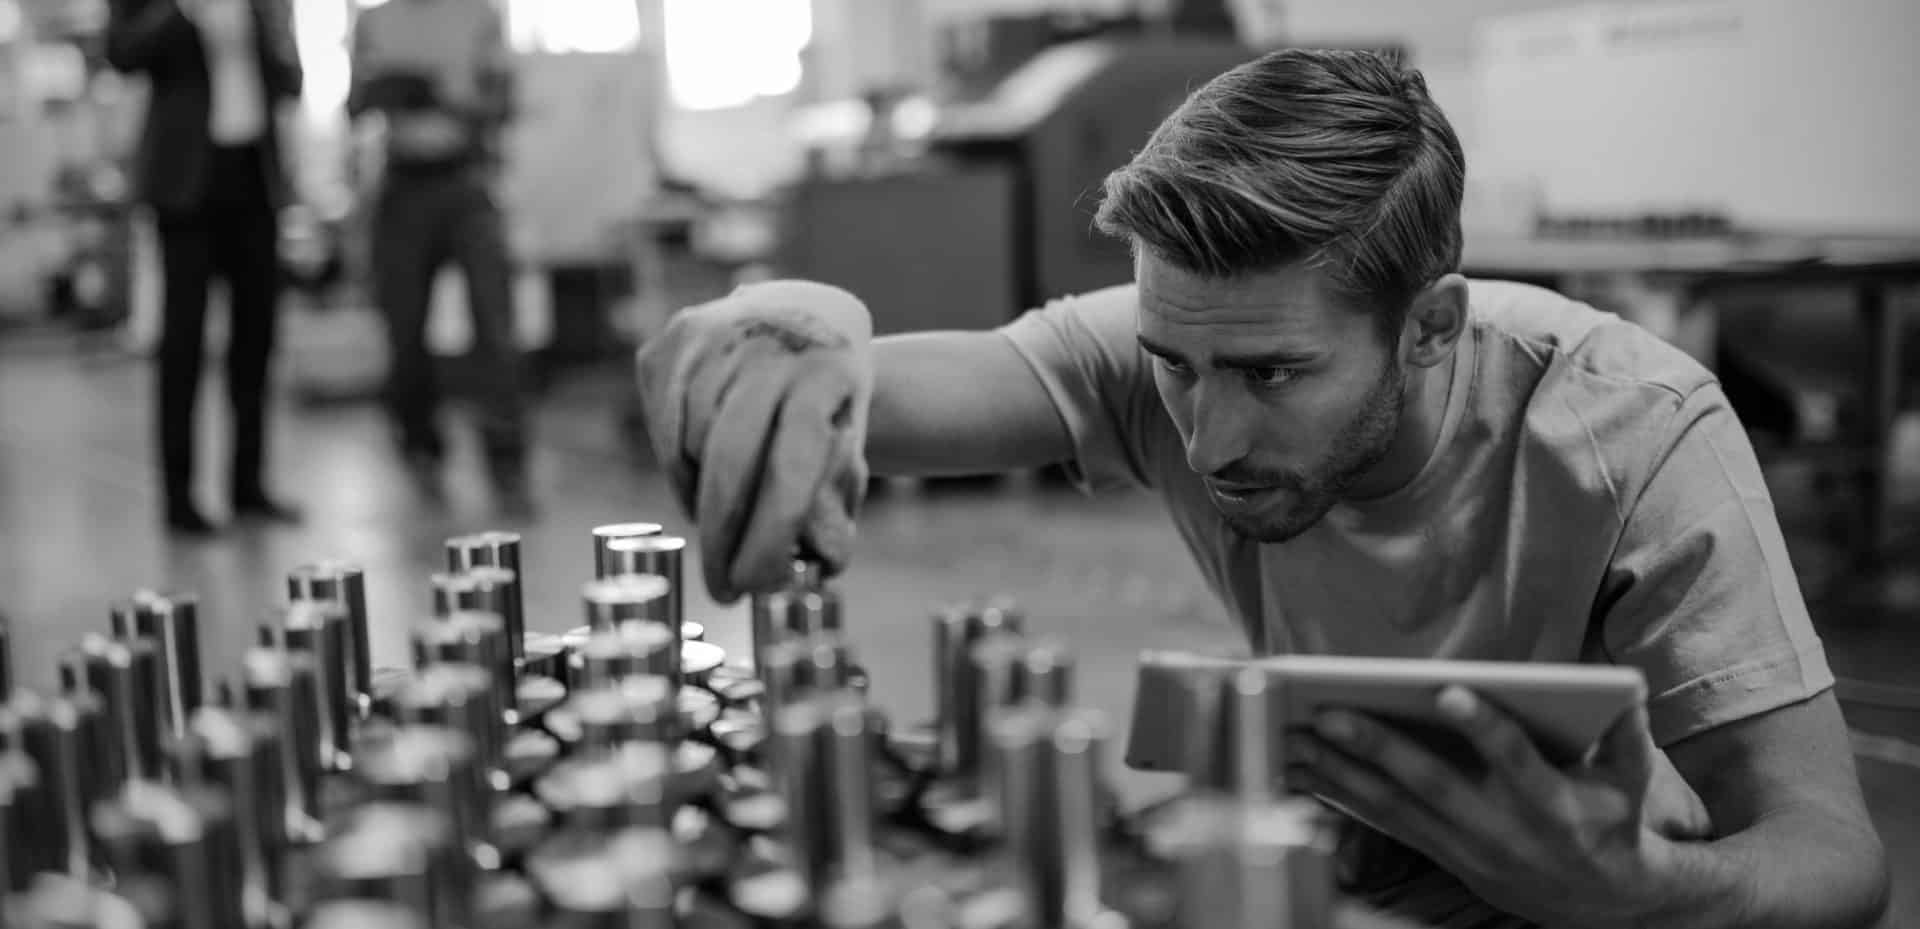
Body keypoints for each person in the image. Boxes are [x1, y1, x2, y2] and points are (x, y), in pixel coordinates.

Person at [636, 49, 1890, 929]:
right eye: (1175, 367)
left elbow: (1835, 860)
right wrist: (797, 325)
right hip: (1327, 862)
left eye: (1274, 371)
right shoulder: (1175, 345)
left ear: (1430, 326)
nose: (1213, 433)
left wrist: (1638, 896)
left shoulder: (1639, 428)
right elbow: (896, 392)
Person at [106, 0, 305, 535]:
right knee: (183, 345)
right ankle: (179, 498)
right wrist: (181, 11)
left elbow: (290, 78)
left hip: (254, 181)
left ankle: (248, 484)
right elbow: (121, 52)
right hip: (185, 187)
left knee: (256, 339)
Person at [346, 0, 531, 511]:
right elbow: (354, 104)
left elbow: (506, 105)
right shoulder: (374, 22)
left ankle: (507, 459)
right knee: (404, 329)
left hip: (466, 182)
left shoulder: (479, 16)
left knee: (494, 324)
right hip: (402, 186)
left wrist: (449, 98)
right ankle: (421, 450)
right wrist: (383, 91)